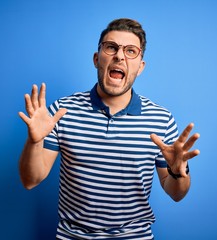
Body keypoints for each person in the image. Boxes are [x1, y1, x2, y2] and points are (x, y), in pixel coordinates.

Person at [18, 18, 200, 240]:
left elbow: (176, 193)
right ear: (97, 59)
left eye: (131, 51)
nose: (120, 56)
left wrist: (178, 171)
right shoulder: (61, 111)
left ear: (140, 66)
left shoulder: (161, 119)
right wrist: (34, 141)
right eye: (111, 47)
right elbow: (30, 180)